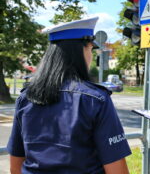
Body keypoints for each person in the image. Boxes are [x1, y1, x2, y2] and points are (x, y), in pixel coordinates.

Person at [7, 17, 131, 174]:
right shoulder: (96, 100)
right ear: (80, 51)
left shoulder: (26, 97)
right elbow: (117, 170)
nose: (90, 56)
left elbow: (15, 166)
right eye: (90, 49)